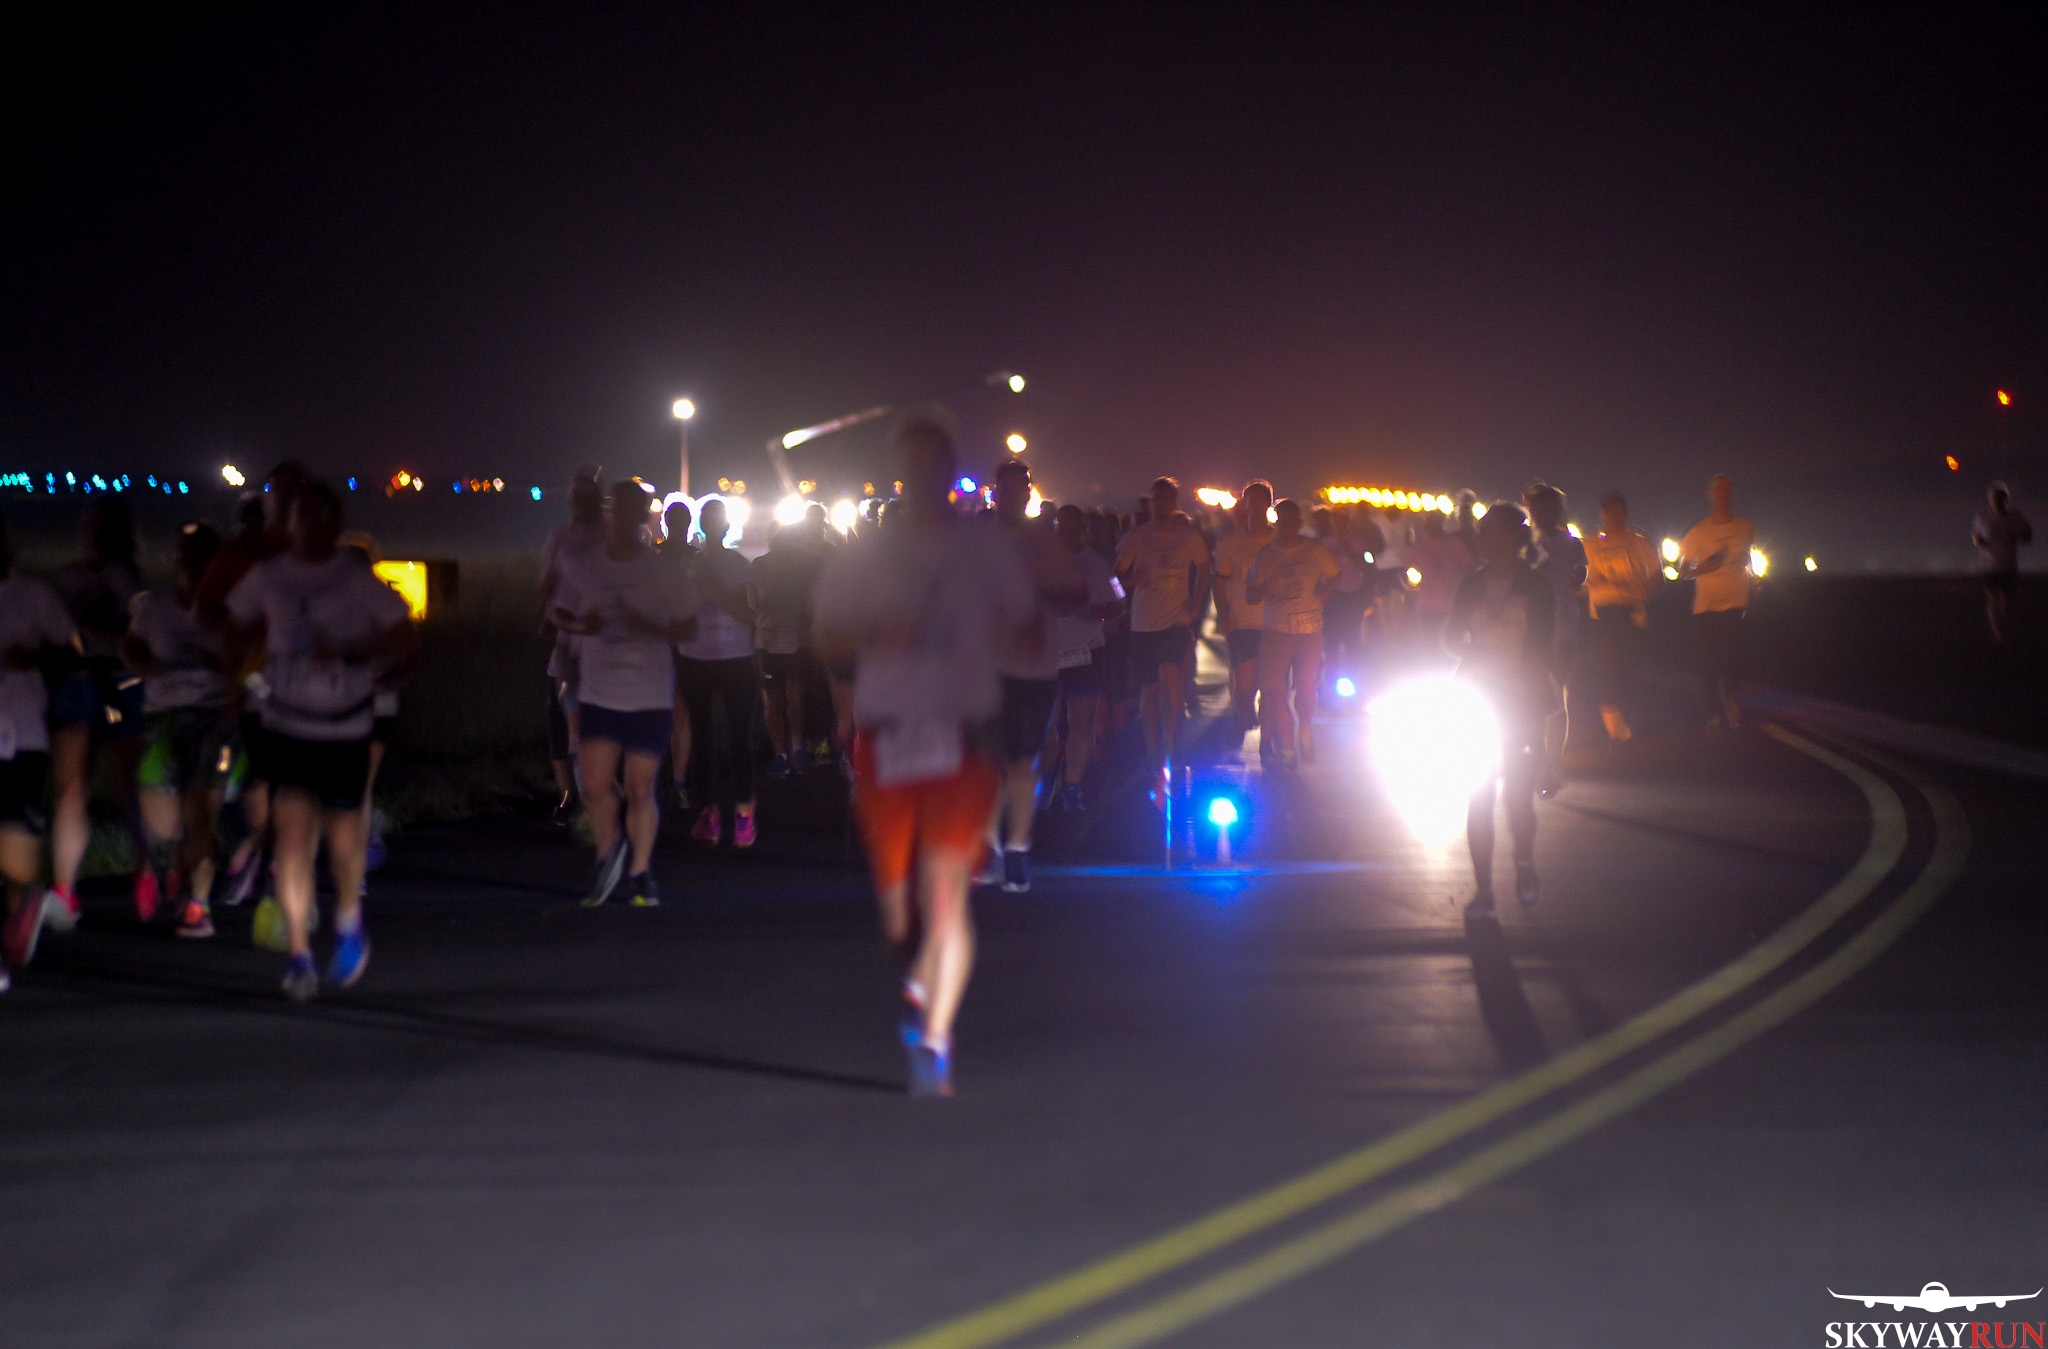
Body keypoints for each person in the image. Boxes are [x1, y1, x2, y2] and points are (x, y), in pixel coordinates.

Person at [815, 413, 1033, 1097]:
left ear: (949, 470)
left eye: (934, 463)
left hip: (962, 736)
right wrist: (878, 633)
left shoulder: (983, 549)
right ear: (899, 473)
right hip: (888, 737)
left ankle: (936, 1039)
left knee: (945, 897)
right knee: (900, 919)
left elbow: (1025, 625)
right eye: (911, 464)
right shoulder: (865, 556)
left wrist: (1023, 633)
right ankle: (915, 979)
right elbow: (827, 641)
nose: (923, 476)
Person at [224, 481, 416, 1000]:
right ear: (288, 525)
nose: (309, 526)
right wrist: (235, 675)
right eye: (300, 516)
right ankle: (300, 957)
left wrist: (356, 654)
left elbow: (404, 636)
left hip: (345, 726)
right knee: (291, 840)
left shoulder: (354, 578)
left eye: (319, 516)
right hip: (288, 725)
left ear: (335, 525)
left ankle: (349, 920)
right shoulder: (270, 575)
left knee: (343, 843)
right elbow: (232, 622)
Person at [550, 480, 697, 908]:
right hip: (599, 693)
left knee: (639, 788)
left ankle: (640, 873)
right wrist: (583, 626)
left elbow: (689, 626)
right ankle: (608, 851)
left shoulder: (662, 570)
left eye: (632, 510)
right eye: (616, 509)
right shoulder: (584, 565)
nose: (620, 518)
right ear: (609, 512)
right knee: (595, 787)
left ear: (642, 516)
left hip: (649, 695)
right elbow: (558, 610)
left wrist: (649, 628)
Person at [196, 464, 311, 911]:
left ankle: (266, 860)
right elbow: (207, 612)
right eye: (277, 492)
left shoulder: (316, 551)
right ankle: (258, 853)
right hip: (257, 679)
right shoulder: (242, 554)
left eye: (293, 492)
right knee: (259, 773)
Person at [1443, 504, 1556, 914]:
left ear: (1512, 537)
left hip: (1520, 699)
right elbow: (1451, 636)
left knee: (1518, 798)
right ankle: (1484, 890)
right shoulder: (1472, 585)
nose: (1484, 539)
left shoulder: (1536, 585)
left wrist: (1527, 678)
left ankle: (1523, 859)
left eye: (1491, 531)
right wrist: (1471, 652)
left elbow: (1544, 643)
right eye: (1482, 532)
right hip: (1479, 695)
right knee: (1479, 794)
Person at [979, 460, 1086, 893]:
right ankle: (989, 846)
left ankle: (1018, 848)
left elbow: (1078, 593)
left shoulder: (1046, 543)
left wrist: (1039, 594)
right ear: (995, 492)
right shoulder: (977, 541)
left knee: (1023, 761)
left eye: (1021, 488)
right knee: (989, 761)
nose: (1014, 495)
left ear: (1028, 493)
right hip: (986, 666)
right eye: (1006, 488)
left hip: (1035, 667)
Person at [124, 523, 234, 938]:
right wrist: (145, 666)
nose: (191, 561)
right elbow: (131, 648)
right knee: (163, 824)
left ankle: (199, 906)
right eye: (185, 552)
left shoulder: (232, 607)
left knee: (201, 813)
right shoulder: (155, 606)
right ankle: (177, 865)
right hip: (164, 715)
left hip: (213, 717)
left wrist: (214, 664)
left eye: (200, 553)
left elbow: (252, 657)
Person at [47, 499, 146, 928]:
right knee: (73, 787)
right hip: (80, 680)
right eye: (92, 526)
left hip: (118, 682)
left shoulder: (126, 579)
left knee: (126, 786)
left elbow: (140, 630)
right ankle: (64, 889)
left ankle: (144, 866)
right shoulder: (70, 577)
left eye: (103, 527)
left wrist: (90, 633)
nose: (95, 535)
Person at [1, 517, 79, 978]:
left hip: (22, 734)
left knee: (17, 851)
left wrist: (33, 657)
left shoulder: (32, 594)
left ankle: (23, 910)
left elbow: (72, 649)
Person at [677, 496, 761, 846]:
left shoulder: (738, 565)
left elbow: (751, 616)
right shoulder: (688, 565)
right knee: (703, 737)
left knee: (736, 737)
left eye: (716, 519)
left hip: (734, 657)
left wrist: (713, 590)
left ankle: (739, 814)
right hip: (696, 657)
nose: (713, 525)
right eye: (708, 519)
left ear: (725, 526)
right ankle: (711, 816)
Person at [1113, 477, 1211, 767]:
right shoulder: (1138, 537)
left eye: (1168, 499)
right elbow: (1112, 580)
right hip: (1144, 623)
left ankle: (1169, 736)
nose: (1162, 505)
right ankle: (1152, 747)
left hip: (1176, 621)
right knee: (1150, 690)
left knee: (1171, 678)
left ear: (1175, 503)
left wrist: (1196, 600)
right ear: (1151, 503)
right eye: (1157, 499)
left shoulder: (1189, 537)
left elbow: (1205, 568)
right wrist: (1129, 585)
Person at [1245, 499, 1339, 769]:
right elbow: (1250, 595)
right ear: (1276, 524)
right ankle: (1287, 747)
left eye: (1291, 522)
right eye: (1282, 523)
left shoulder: (1316, 551)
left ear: (1299, 523)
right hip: (1276, 630)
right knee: (1275, 691)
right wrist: (1262, 590)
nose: (1287, 528)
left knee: (1306, 687)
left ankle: (1305, 727)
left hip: (1310, 630)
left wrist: (1323, 593)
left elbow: (1335, 575)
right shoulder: (1266, 556)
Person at [540, 469, 606, 826]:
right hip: (572, 644)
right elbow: (548, 586)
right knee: (573, 723)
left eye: (583, 497)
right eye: (575, 497)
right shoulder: (562, 537)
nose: (577, 503)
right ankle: (578, 798)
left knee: (590, 726)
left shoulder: (606, 537)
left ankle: (591, 797)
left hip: (597, 646)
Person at [1049, 504, 1121, 810]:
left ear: (1083, 530)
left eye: (1074, 527)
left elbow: (1119, 602)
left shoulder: (1097, 565)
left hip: (1085, 653)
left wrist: (1096, 613)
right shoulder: (1042, 561)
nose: (1067, 533)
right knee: (1045, 725)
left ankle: (1071, 786)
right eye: (1062, 526)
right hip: (1047, 655)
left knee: (1081, 723)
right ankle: (1043, 780)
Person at [1678, 474, 1756, 731]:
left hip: (1737, 601)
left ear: (1732, 494)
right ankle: (1714, 712)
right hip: (1706, 606)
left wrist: (1753, 577)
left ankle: (1731, 697)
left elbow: (1747, 558)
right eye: (1717, 490)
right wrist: (1703, 568)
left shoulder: (1746, 527)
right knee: (1708, 663)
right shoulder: (1699, 532)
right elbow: (1682, 570)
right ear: (1710, 495)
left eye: (1726, 490)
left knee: (1734, 656)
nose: (1722, 494)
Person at [1582, 491, 1661, 744]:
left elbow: (1657, 578)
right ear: (1601, 514)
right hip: (1602, 615)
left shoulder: (1639, 543)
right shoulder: (1590, 544)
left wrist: (1641, 591)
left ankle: (1626, 718)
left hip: (1631, 615)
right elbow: (1578, 583)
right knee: (1607, 669)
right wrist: (1590, 582)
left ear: (1625, 513)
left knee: (1630, 670)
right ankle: (1614, 728)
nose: (1613, 517)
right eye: (1609, 512)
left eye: (1618, 511)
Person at [1523, 483, 1587, 794]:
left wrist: (1578, 577)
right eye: (1537, 508)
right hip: (1528, 631)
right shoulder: (1523, 542)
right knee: (1529, 695)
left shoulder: (1571, 545)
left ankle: (1552, 765)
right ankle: (1532, 759)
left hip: (1562, 630)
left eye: (1549, 508)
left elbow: (1581, 575)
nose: (1542, 514)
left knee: (1558, 695)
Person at [750, 516, 825, 779]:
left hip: (789, 638)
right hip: (777, 638)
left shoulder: (803, 564)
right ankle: (787, 753)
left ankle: (792, 750)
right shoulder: (763, 565)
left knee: (788, 698)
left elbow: (755, 603)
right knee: (782, 698)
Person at [1210, 480, 1275, 736]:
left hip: (1275, 624)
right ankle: (1242, 715)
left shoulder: (1279, 541)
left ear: (1269, 504)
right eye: (1251, 502)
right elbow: (1219, 583)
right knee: (1245, 685)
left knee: (1270, 686)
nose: (1256, 507)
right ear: (1245, 505)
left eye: (1261, 501)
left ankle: (1267, 742)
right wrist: (1224, 617)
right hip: (1242, 623)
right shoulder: (1232, 544)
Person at [1320, 505, 1373, 705]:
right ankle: (1329, 686)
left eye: (1343, 521)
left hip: (1353, 595)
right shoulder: (1324, 544)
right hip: (1332, 595)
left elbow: (1367, 567)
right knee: (1332, 641)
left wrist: (1351, 552)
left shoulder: (1358, 542)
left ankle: (1353, 684)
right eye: (1337, 521)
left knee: (1352, 640)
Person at [1972, 482, 2032, 644]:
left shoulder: (2014, 518)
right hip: (1989, 566)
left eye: (1998, 498)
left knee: (2006, 602)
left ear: (2005, 499)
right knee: (1993, 599)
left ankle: (2006, 631)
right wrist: (1979, 542)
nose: (1995, 501)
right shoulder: (1983, 518)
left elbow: (2027, 535)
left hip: (2008, 565)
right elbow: (1976, 537)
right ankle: (1998, 635)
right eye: (1992, 498)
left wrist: (2019, 536)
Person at [1405, 510, 1474, 652]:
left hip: (1451, 603)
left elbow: (1469, 568)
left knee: (1451, 643)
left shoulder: (1455, 544)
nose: (1429, 526)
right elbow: (1408, 571)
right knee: (1430, 643)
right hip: (1427, 603)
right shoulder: (1420, 546)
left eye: (1433, 522)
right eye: (1428, 523)